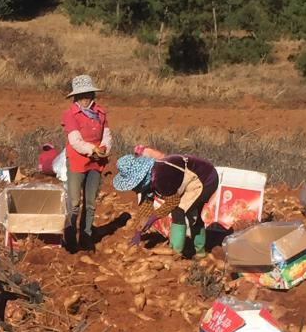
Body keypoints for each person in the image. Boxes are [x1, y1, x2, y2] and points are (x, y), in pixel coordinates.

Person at [113, 153, 219, 257]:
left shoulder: (160, 176)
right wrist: (138, 231)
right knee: (192, 214)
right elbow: (146, 205)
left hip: (204, 179)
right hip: (191, 179)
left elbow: (173, 202)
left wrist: (152, 219)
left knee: (179, 211)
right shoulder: (148, 179)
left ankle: (176, 252)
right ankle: (200, 252)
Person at [61, 75, 112, 251]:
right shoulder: (70, 114)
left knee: (90, 203)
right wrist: (93, 149)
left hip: (96, 164)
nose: (85, 99)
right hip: (77, 162)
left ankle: (86, 236)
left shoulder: (100, 112)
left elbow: (107, 135)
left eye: (88, 95)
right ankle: (69, 237)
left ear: (92, 95)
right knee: (74, 203)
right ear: (75, 97)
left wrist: (104, 148)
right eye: (81, 96)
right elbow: (75, 140)